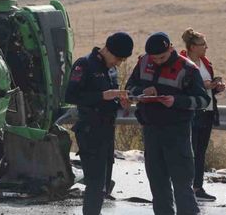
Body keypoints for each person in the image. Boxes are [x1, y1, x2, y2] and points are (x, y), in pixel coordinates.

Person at [126, 32, 210, 215]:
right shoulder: (143, 62)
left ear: (170, 48)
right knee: (158, 184)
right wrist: (142, 91)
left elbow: (203, 101)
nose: (157, 61)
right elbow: (128, 88)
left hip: (177, 133)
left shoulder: (188, 69)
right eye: (153, 58)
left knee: (182, 185)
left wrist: (176, 101)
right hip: (151, 130)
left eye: (161, 57)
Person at [65, 32, 134, 215]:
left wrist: (121, 101)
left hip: (106, 131)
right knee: (95, 183)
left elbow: (110, 100)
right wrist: (102, 96)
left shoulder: (111, 70)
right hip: (89, 130)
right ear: (108, 50)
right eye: (118, 58)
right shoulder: (85, 64)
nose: (118, 63)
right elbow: (70, 95)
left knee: (103, 185)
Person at [180, 28, 225, 202]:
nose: (206, 47)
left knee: (200, 152)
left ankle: (197, 187)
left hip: (207, 111)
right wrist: (202, 86)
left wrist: (216, 87)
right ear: (192, 47)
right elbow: (181, 87)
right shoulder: (182, 63)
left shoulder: (206, 63)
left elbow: (207, 88)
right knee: (188, 152)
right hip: (191, 112)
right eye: (202, 44)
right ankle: (184, 186)